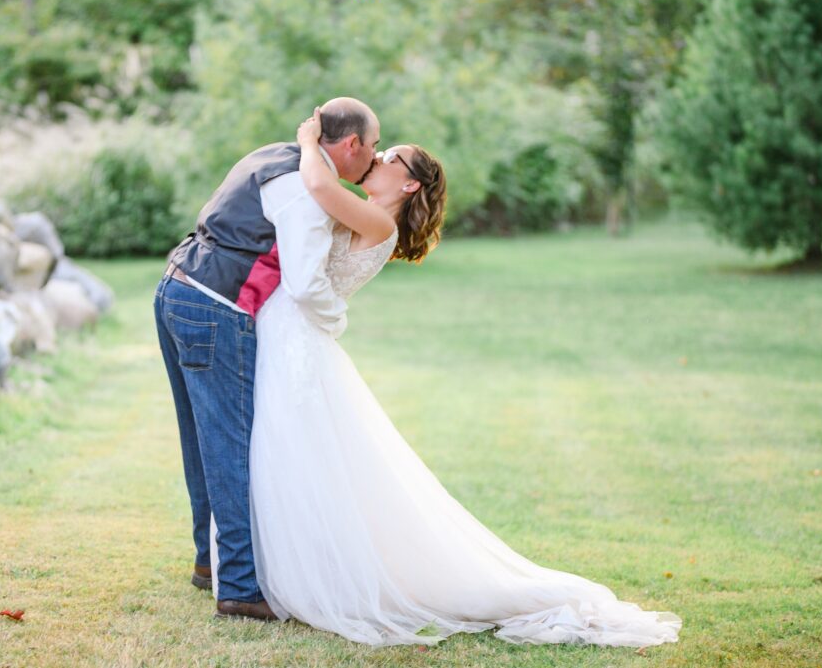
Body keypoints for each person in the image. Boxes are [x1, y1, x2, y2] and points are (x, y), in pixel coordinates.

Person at [240, 109, 683, 646]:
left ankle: (298, 574)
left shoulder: (377, 221)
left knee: (298, 451)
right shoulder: (363, 210)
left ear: (407, 182)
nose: (376, 158)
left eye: (388, 156)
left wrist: (308, 140)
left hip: (300, 340)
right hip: (295, 335)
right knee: (292, 453)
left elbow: (315, 180)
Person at [154, 97, 379, 621]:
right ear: (351, 145)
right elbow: (304, 284)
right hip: (215, 305)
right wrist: (336, 319)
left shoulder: (271, 155)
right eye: (372, 146)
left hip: (174, 287)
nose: (374, 155)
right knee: (230, 445)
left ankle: (209, 562)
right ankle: (238, 585)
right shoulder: (305, 190)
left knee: (201, 440)